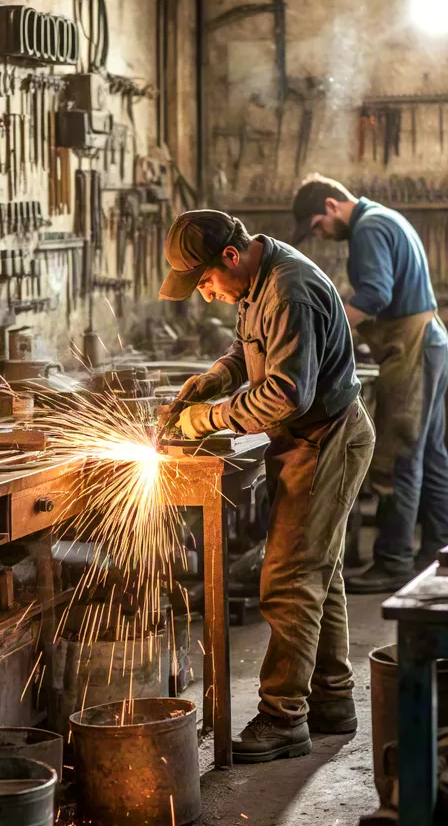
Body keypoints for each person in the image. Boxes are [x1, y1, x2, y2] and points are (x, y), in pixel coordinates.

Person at [159, 209, 375, 762]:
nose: (206, 295)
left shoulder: (289, 290)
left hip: (325, 438)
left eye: (205, 282)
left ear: (230, 257)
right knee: (317, 569)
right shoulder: (257, 281)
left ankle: (284, 717)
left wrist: (205, 419)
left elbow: (285, 395)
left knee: (288, 578)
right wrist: (219, 376)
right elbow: (249, 349)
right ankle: (332, 700)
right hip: (310, 439)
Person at [291, 175, 448, 594]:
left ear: (331, 206)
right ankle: (441, 546)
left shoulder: (368, 228)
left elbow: (374, 297)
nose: (322, 237)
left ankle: (395, 560)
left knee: (399, 453)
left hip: (412, 346)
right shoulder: (384, 218)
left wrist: (321, 328)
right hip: (429, 340)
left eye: (317, 227)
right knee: (429, 453)